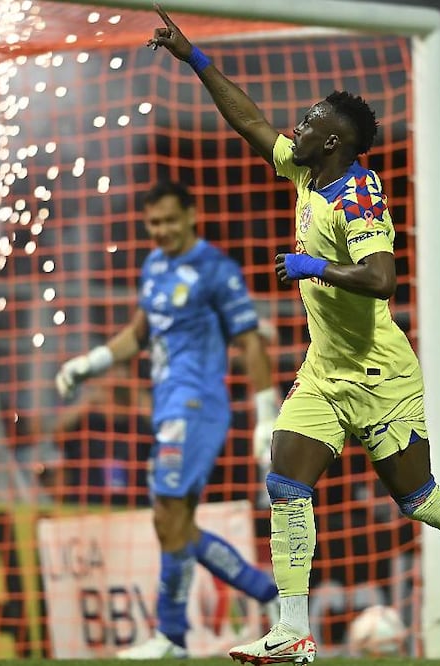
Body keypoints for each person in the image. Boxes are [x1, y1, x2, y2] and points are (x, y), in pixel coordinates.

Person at [148, 9, 440, 663]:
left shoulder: (358, 197)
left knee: (417, 498)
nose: (293, 129)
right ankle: (293, 629)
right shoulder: (306, 172)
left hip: (379, 372)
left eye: (307, 125)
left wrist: (313, 266)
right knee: (286, 479)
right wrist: (195, 58)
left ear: (332, 143)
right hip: (325, 371)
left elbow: (383, 278)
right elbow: (248, 121)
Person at [55, 181, 280, 659]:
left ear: (192, 215)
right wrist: (88, 363)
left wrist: (267, 417)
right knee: (172, 524)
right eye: (154, 222)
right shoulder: (154, 266)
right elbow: (138, 334)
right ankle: (265, 592)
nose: (162, 230)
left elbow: (252, 342)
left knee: (170, 516)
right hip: (168, 408)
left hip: (197, 407)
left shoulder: (216, 269)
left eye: (170, 220)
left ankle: (172, 637)